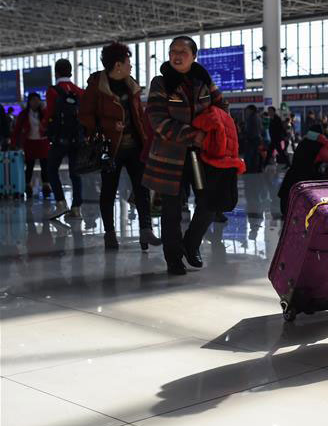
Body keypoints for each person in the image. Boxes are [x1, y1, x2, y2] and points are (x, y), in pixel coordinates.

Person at [143, 36, 226, 275]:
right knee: (171, 209)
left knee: (210, 203)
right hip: (170, 156)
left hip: (201, 156)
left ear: (193, 55)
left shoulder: (203, 81)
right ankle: (173, 258)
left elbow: (222, 108)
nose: (177, 55)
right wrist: (193, 134)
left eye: (183, 51)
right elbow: (157, 118)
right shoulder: (160, 83)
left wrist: (210, 129)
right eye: (172, 51)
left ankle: (191, 243)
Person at [79, 43, 161, 251]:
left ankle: (145, 230)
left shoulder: (130, 84)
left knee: (142, 188)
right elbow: (85, 116)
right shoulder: (97, 86)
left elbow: (139, 116)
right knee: (109, 190)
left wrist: (148, 139)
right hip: (110, 148)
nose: (131, 66)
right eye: (128, 62)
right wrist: (108, 126)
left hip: (134, 145)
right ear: (117, 65)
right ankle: (110, 234)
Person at [43, 59, 84, 220]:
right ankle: (76, 207)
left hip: (59, 138)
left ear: (56, 73)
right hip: (77, 139)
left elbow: (49, 113)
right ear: (71, 72)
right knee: (76, 173)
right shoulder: (79, 91)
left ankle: (61, 203)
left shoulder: (53, 91)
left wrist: (45, 128)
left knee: (51, 169)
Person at [12, 92, 51, 199]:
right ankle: (27, 185)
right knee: (29, 166)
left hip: (43, 142)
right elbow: (17, 130)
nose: (36, 102)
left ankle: (46, 185)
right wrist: (13, 142)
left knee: (45, 166)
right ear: (29, 101)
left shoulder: (43, 113)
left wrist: (45, 109)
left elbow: (50, 123)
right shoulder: (24, 114)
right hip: (30, 142)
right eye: (33, 100)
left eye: (38, 100)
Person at [241, 105, 264, 174]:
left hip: (252, 139)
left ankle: (247, 169)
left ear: (251, 110)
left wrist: (245, 136)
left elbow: (249, 130)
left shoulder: (251, 118)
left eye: (247, 110)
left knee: (249, 154)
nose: (247, 112)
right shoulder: (258, 117)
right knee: (255, 154)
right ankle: (255, 169)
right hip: (257, 138)